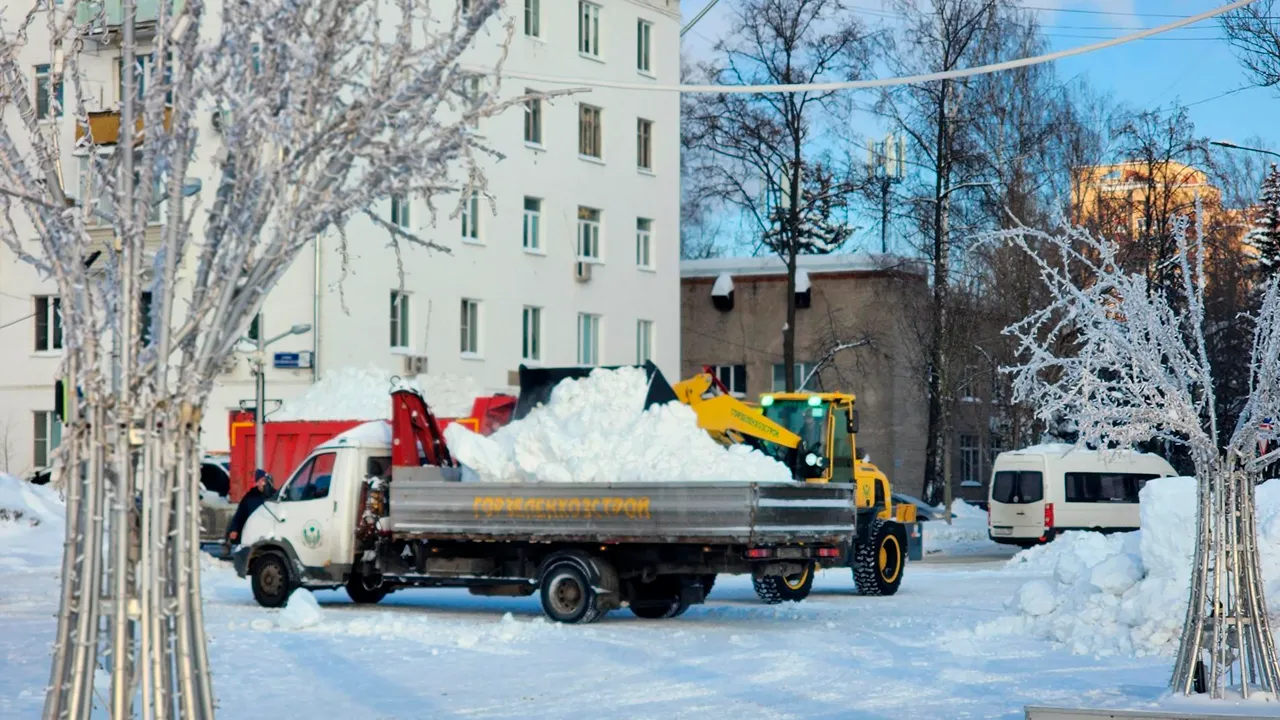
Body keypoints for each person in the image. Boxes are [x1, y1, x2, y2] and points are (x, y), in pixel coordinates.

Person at [226, 469, 273, 546]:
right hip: (253, 532)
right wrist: (234, 529)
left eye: (264, 480)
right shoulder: (250, 497)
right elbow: (240, 514)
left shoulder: (275, 496)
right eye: (260, 481)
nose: (262, 483)